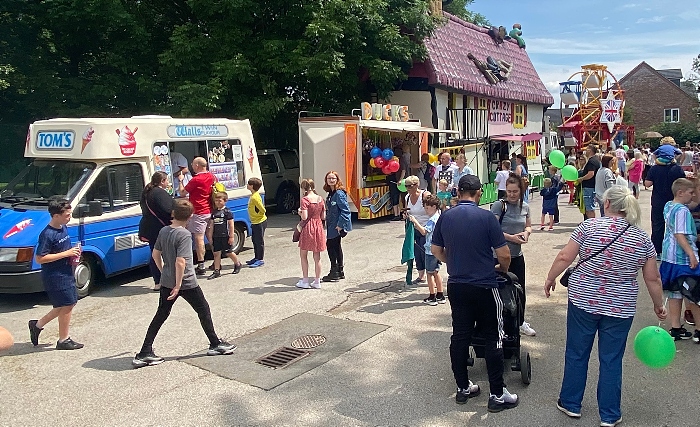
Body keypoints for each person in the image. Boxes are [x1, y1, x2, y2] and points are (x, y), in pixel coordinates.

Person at [544, 186, 666, 427]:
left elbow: (565, 257)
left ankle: (571, 403)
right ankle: (609, 414)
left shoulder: (588, 227)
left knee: (577, 352)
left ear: (607, 203)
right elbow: (653, 278)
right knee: (611, 359)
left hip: (583, 301)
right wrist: (658, 305)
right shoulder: (641, 238)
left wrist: (550, 278)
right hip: (620, 307)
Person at [432, 174, 519, 412]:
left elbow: (436, 249)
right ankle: (497, 394)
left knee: (460, 335)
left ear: (458, 193)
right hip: (484, 285)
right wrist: (502, 269)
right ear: (479, 192)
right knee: (494, 336)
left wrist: (452, 262)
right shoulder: (486, 217)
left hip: (458, 285)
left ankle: (462, 387)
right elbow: (504, 254)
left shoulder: (446, 217)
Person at [132, 199, 237, 367]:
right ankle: (215, 344)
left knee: (161, 315)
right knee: (203, 309)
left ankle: (145, 352)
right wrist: (178, 285)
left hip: (167, 280)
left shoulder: (164, 231)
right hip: (186, 281)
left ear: (173, 213)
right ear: (190, 216)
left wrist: (164, 272)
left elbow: (155, 255)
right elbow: (181, 261)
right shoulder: (184, 234)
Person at [28, 199, 84, 350]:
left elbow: (63, 250)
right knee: (68, 304)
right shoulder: (47, 234)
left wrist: (74, 255)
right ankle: (63, 339)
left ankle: (37, 325)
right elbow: (40, 258)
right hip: (55, 275)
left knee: (64, 304)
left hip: (66, 271)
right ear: (55, 216)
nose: (69, 217)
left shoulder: (63, 228)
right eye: (66, 215)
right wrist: (67, 253)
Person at [490, 174, 536, 336]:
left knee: (519, 289)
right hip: (499, 255)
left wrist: (526, 233)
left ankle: (520, 321)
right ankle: (497, 323)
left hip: (517, 255)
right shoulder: (499, 206)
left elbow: (529, 226)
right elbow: (493, 231)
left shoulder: (525, 207)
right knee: (498, 290)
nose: (511, 194)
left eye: (515, 191)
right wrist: (511, 238)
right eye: (509, 191)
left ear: (521, 191)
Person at [658, 178, 700, 341]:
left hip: (669, 257)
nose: (693, 195)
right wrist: (690, 253)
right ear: (680, 193)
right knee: (694, 294)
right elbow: (679, 234)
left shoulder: (669, 206)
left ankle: (676, 328)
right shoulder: (682, 211)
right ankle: (698, 329)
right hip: (683, 259)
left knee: (675, 293)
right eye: (690, 192)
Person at [644, 147, 685, 255]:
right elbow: (683, 182)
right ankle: (675, 250)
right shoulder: (677, 169)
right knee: (676, 226)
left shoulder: (655, 169)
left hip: (658, 201)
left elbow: (647, 184)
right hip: (675, 201)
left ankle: (657, 251)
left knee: (657, 226)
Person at [178, 157, 215, 275]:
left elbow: (182, 193)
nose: (192, 166)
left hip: (198, 212)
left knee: (199, 238)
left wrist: (180, 180)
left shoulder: (196, 180)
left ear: (198, 166)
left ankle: (201, 265)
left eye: (193, 164)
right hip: (209, 210)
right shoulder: (212, 176)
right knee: (211, 237)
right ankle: (216, 261)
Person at [139, 171, 174, 291]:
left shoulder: (146, 192)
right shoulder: (159, 193)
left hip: (149, 228)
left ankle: (157, 281)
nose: (168, 182)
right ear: (162, 181)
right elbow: (168, 210)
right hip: (161, 228)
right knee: (167, 254)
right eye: (167, 180)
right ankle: (170, 280)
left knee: (155, 254)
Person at [408, 194, 444, 305]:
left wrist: (415, 221)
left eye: (427, 208)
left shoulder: (432, 220)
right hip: (438, 249)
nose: (426, 210)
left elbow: (424, 232)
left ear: (434, 206)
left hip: (430, 250)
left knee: (429, 273)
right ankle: (440, 294)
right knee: (436, 271)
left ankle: (432, 296)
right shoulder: (439, 216)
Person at [295, 179, 327, 288]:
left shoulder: (304, 200)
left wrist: (299, 212)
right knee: (317, 256)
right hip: (318, 226)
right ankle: (317, 281)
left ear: (303, 188)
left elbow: (304, 217)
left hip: (308, 227)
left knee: (303, 255)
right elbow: (323, 217)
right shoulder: (320, 199)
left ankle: (305, 281)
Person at [321, 171, 352, 282]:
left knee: (331, 246)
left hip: (336, 226)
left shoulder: (339, 193)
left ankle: (335, 270)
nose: (331, 180)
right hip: (331, 224)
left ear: (337, 179)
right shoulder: (331, 193)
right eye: (329, 178)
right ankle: (339, 270)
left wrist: (340, 225)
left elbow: (345, 210)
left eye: (333, 178)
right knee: (336, 247)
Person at [206, 192, 242, 279]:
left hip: (225, 235)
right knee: (216, 253)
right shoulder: (214, 213)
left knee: (228, 252)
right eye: (216, 201)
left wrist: (231, 236)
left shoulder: (227, 212)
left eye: (220, 201)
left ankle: (237, 263)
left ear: (225, 201)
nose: (218, 202)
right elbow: (211, 225)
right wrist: (210, 237)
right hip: (216, 236)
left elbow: (231, 225)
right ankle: (217, 270)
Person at [404, 175, 430, 285]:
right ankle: (421, 275)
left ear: (417, 185)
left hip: (426, 227)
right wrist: (405, 215)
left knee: (426, 252)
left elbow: (433, 210)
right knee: (416, 252)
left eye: (410, 186)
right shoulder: (407, 197)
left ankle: (431, 275)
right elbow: (408, 211)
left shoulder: (425, 195)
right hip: (414, 228)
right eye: (406, 186)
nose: (408, 188)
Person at [246, 177, 267, 268]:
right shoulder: (253, 195)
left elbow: (262, 209)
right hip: (255, 222)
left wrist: (258, 215)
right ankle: (256, 257)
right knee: (254, 240)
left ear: (252, 186)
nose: (247, 185)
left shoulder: (255, 197)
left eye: (248, 184)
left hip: (259, 222)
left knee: (259, 241)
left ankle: (260, 259)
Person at [576, 145, 600, 219]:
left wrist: (582, 178)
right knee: (588, 207)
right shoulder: (596, 159)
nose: (585, 151)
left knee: (589, 208)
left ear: (590, 150)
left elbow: (591, 174)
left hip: (589, 187)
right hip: (591, 186)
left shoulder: (592, 161)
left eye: (587, 150)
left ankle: (592, 224)